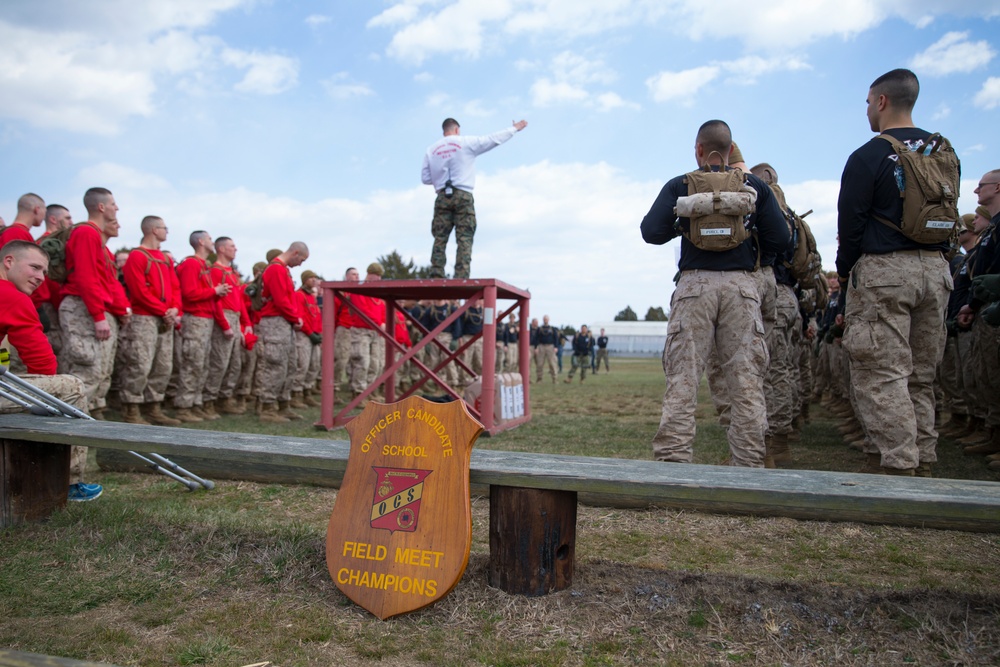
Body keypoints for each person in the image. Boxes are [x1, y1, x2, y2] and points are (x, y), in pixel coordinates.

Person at [640, 119, 790, 467]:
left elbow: (650, 231)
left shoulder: (682, 184)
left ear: (699, 150)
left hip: (694, 288)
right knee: (746, 383)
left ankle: (674, 464)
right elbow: (781, 241)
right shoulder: (754, 186)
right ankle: (748, 466)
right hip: (741, 288)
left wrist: (685, 225)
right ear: (729, 149)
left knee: (683, 379)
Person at [836, 68, 954, 477]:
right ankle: (924, 462)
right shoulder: (944, 153)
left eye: (869, 103)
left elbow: (850, 227)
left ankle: (899, 469)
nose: (868, 110)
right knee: (920, 376)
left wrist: (846, 275)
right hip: (936, 272)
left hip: (885, 272)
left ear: (882, 101)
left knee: (881, 374)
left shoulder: (868, 156)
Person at [0, 240, 98, 501]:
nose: (41, 277)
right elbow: (42, 364)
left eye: (44, 271)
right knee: (70, 387)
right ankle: (70, 482)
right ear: (9, 262)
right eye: (34, 268)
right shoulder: (11, 296)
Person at [421, 117, 528, 278]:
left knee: (440, 237)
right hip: (463, 194)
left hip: (442, 195)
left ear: (444, 131)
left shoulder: (431, 149)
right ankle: (461, 275)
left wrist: (440, 178)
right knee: (464, 236)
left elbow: (425, 178)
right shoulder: (465, 142)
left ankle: (436, 273)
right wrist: (513, 129)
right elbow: (492, 139)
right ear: (457, 130)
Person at [58, 187, 132, 419]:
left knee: (96, 372)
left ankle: (78, 424)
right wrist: (99, 316)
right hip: (83, 309)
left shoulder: (95, 237)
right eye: (113, 203)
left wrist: (119, 310)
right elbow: (86, 277)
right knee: (86, 371)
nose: (116, 208)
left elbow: (106, 281)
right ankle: (65, 430)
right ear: (101, 207)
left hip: (91, 308)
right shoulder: (87, 233)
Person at [119, 216, 182, 425]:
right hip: (144, 318)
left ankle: (154, 406)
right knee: (140, 363)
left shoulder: (165, 259)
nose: (167, 232)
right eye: (165, 228)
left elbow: (175, 286)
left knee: (163, 364)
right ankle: (131, 410)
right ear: (154, 230)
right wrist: (165, 310)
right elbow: (139, 291)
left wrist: (174, 308)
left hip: (165, 318)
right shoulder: (137, 256)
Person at [956, 171, 1000, 457]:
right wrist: (971, 304)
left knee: (994, 377)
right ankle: (991, 432)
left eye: (981, 186)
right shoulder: (993, 231)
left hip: (994, 309)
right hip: (984, 310)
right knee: (983, 376)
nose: (976, 191)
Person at [173, 231, 230, 423]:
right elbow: (189, 293)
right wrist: (215, 291)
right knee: (192, 364)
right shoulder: (191, 263)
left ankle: (195, 404)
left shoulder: (203, 265)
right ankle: (183, 406)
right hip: (195, 319)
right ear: (200, 242)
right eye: (209, 239)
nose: (212, 242)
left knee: (202, 364)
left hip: (205, 320)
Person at [255, 242, 309, 422]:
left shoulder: (283, 269)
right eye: (301, 259)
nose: (301, 264)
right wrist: (295, 318)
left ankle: (282, 403)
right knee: (275, 364)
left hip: (284, 322)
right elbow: (280, 300)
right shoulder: (276, 269)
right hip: (275, 322)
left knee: (290, 364)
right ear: (295, 253)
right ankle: (268, 407)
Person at [204, 236, 252, 415]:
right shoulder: (215, 271)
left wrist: (245, 322)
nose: (235, 249)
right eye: (232, 246)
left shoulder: (232, 272)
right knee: (219, 362)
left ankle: (225, 398)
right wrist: (224, 324)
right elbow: (215, 300)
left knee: (234, 363)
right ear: (222, 249)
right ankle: (209, 400)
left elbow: (238, 299)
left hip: (235, 317)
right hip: (223, 317)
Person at [290, 270, 322, 408]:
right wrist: (309, 333)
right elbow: (301, 316)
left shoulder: (311, 297)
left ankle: (307, 391)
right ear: (304, 280)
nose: (313, 280)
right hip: (304, 335)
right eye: (310, 278)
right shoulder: (299, 295)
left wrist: (319, 332)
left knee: (314, 364)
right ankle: (295, 394)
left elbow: (316, 316)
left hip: (314, 334)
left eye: (315, 278)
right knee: (302, 365)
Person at [535, 315, 560, 383]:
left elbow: (556, 338)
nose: (545, 320)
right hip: (541, 346)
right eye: (544, 319)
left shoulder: (552, 328)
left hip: (550, 346)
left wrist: (556, 347)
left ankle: (555, 379)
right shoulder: (540, 329)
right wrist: (536, 347)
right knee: (540, 364)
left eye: (546, 319)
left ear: (548, 320)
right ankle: (539, 379)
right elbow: (536, 338)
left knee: (552, 363)